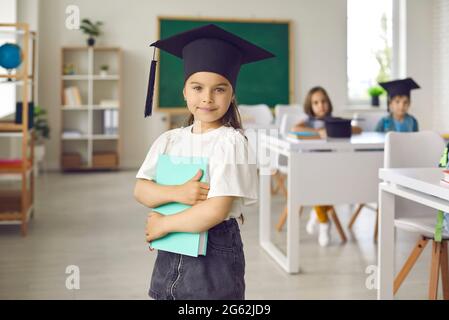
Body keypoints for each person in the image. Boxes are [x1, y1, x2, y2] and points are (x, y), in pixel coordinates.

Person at [134, 24, 274, 300]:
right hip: (171, 249)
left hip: (213, 254)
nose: (207, 98)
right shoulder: (169, 140)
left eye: (219, 89)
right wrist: (177, 193)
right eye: (197, 87)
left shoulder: (231, 142)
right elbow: (141, 189)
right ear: (184, 91)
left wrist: (164, 224)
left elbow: (216, 211)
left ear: (232, 94)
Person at [291, 86, 361, 246]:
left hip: (332, 167)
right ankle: (324, 222)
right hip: (310, 167)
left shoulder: (334, 121)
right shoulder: (309, 122)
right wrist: (318, 133)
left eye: (323, 101)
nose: (320, 105)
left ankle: (318, 215)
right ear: (310, 106)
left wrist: (334, 129)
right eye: (316, 102)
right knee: (318, 186)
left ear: (328, 103)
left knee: (326, 187)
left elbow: (358, 129)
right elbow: (295, 129)